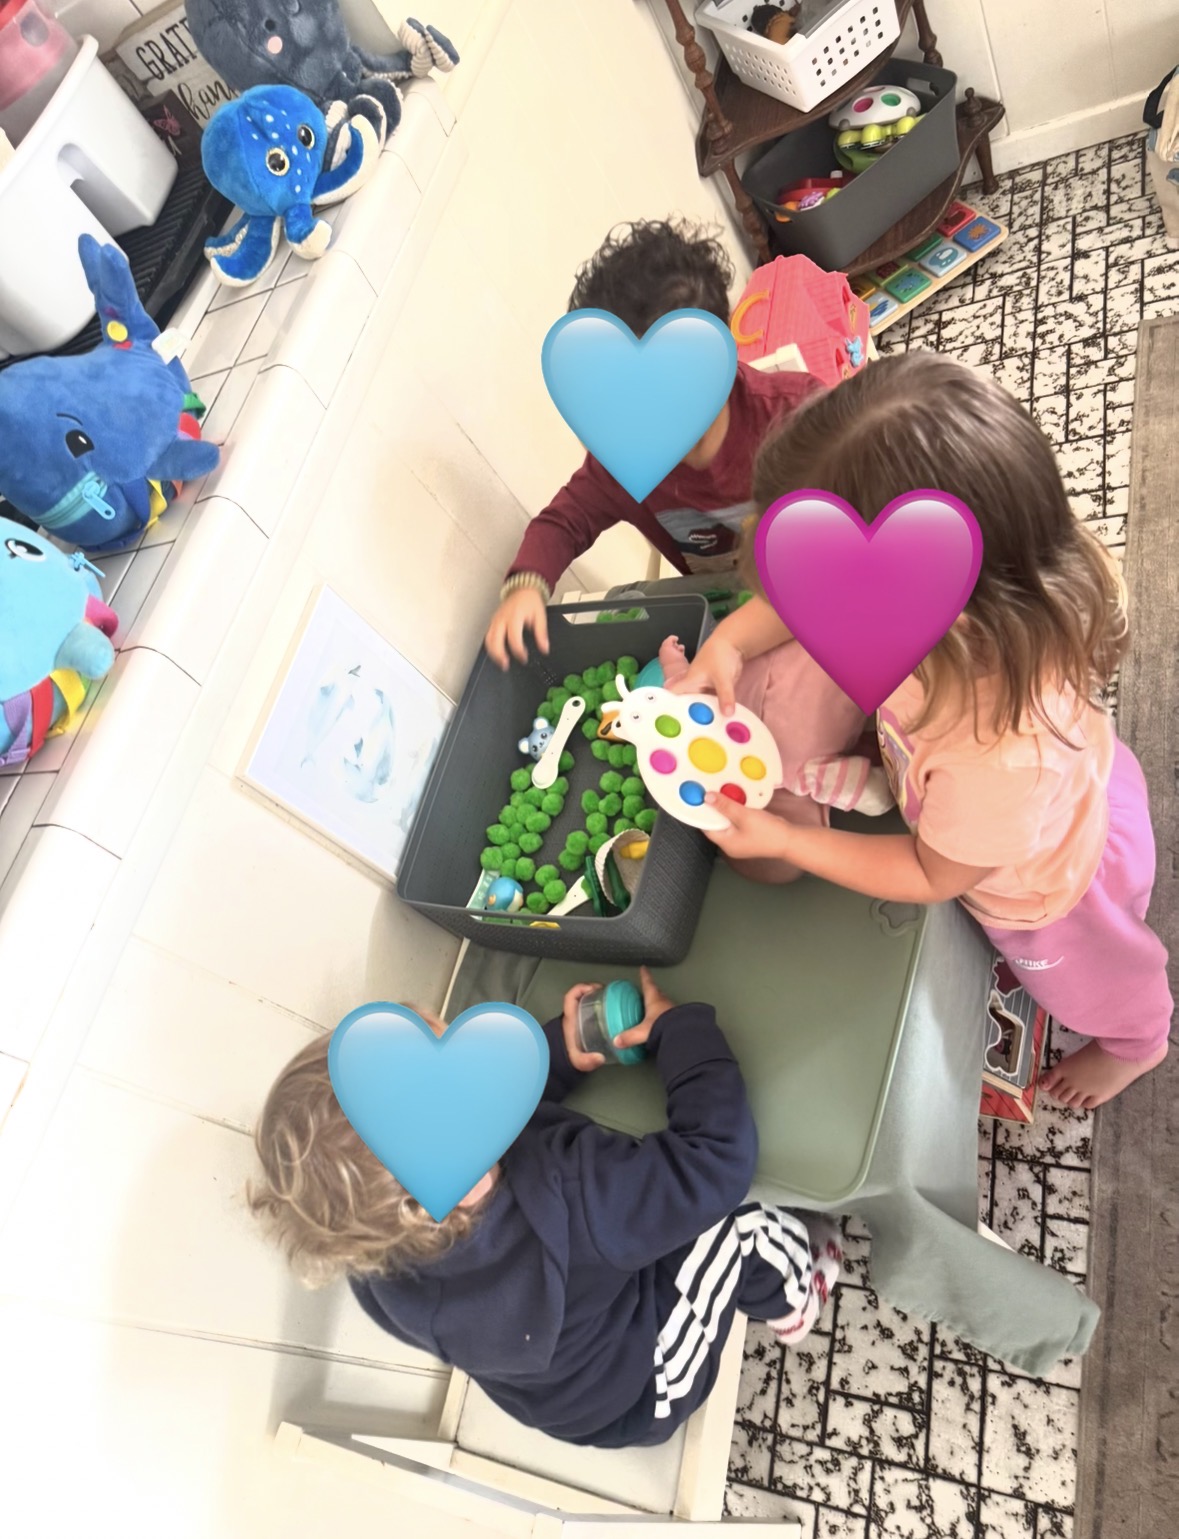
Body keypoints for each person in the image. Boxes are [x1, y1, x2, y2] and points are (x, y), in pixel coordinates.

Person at [671, 352, 1173, 1110]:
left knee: (1088, 984)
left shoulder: (995, 757)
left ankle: (1140, 1041)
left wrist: (788, 841)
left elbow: (936, 874)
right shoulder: (990, 593)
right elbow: (799, 602)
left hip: (1039, 894)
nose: (806, 615)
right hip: (1054, 785)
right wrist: (729, 646)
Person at [249, 969, 842, 1448]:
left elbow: (496, 1109)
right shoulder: (576, 1199)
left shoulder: (373, 1257)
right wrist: (681, 1032)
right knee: (739, 1226)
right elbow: (715, 1163)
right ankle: (797, 1296)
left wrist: (561, 1048)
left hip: (559, 1378)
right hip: (647, 1380)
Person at [484, 218, 824, 670]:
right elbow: (564, 521)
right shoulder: (624, 462)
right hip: (726, 604)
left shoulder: (798, 417)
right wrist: (526, 586)